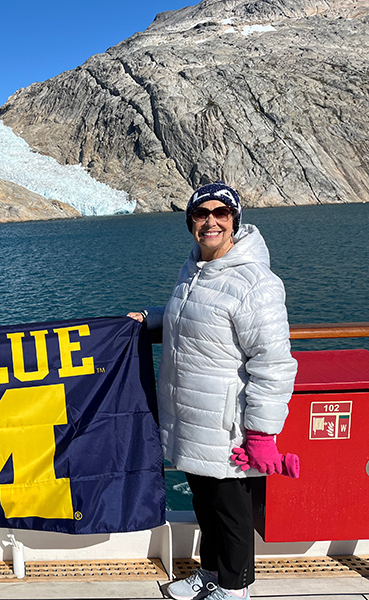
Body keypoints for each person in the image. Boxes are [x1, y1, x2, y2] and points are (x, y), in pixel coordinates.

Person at [128, 182, 298, 600]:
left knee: (231, 512)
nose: (211, 221)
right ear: (191, 224)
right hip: (191, 416)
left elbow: (274, 364)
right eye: (202, 214)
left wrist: (261, 433)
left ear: (234, 221)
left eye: (221, 213)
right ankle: (211, 574)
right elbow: (192, 317)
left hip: (228, 424)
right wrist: (148, 321)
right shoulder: (196, 268)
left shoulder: (256, 282)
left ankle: (236, 589)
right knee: (206, 504)